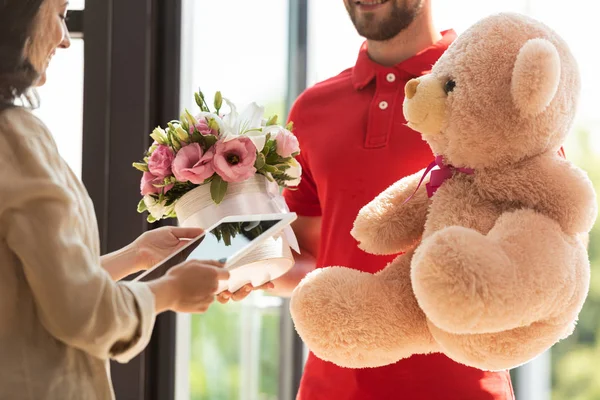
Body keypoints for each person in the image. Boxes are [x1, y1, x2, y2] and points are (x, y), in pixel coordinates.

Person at [274, 0, 516, 399]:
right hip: (329, 389)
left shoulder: (490, 90)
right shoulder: (312, 109)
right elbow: (311, 255)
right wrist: (242, 268)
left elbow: (545, 230)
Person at [0, 0, 229, 399]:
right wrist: (170, 291)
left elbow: (32, 290)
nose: (64, 38)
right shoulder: (14, 139)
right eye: (58, 13)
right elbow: (79, 311)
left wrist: (135, 257)